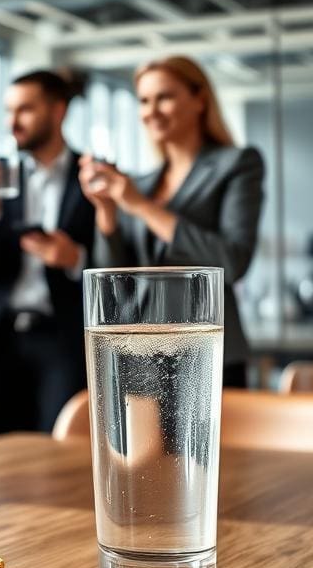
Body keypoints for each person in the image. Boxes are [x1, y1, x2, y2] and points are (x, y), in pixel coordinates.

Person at [78, 55, 264, 388]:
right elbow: (115, 278)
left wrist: (140, 206)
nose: (151, 111)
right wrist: (106, 212)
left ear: (199, 100)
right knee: (140, 444)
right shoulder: (144, 182)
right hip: (141, 352)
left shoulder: (237, 164)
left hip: (207, 349)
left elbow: (233, 260)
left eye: (164, 97)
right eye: (144, 101)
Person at [0, 70, 95, 435]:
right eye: (9, 110)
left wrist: (76, 260)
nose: (13, 121)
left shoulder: (91, 175)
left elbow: (120, 261)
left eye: (25, 110)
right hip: (1, 338)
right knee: (1, 452)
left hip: (64, 336)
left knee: (62, 443)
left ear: (58, 111)